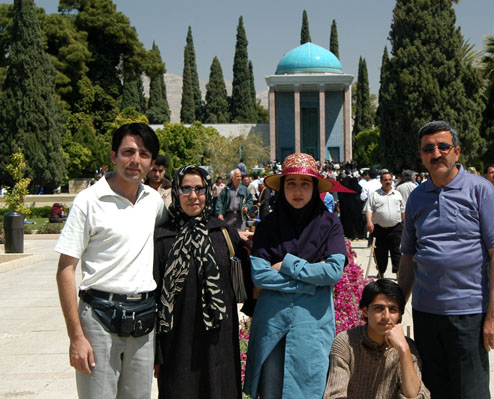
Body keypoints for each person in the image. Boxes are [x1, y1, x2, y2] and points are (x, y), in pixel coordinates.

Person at [398, 121, 494, 399]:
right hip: (426, 314)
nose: (436, 153)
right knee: (433, 390)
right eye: (428, 149)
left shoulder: (480, 190)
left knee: (470, 392)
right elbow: (408, 256)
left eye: (443, 146)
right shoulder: (416, 197)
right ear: (422, 156)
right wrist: (396, 308)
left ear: (456, 152)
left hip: (469, 314)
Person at [55, 123, 168, 399]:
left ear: (152, 163)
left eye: (143, 154)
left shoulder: (153, 201)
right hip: (98, 319)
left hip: (143, 321)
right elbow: (65, 270)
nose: (135, 160)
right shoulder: (88, 201)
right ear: (113, 156)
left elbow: (173, 236)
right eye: (128, 151)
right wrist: (76, 337)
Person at [243, 153, 347, 399]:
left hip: (311, 326)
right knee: (272, 389)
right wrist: (311, 282)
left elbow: (333, 272)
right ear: (282, 187)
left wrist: (286, 264)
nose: (297, 190)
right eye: (291, 183)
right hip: (274, 326)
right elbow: (260, 276)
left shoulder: (329, 224)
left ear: (314, 188)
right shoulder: (269, 225)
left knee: (311, 388)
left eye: (305, 183)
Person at [153, 165, 254, 398]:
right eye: (185, 188)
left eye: (199, 189)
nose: (192, 196)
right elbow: (154, 297)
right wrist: (156, 351)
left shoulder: (224, 234)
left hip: (218, 342)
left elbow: (247, 284)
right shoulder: (162, 237)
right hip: (178, 343)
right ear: (176, 192)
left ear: (208, 192)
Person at [323, 279, 430, 399]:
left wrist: (404, 351)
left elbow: (414, 396)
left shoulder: (405, 346)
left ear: (400, 315)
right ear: (365, 311)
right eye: (379, 308)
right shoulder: (346, 342)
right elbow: (335, 395)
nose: (386, 316)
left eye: (393, 310)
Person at [365, 172, 404, 277]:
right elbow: (369, 209)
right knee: (380, 252)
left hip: (396, 227)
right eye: (385, 180)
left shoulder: (397, 194)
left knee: (396, 251)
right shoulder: (375, 194)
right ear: (381, 181)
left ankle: (398, 272)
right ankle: (381, 271)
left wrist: (404, 224)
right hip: (379, 228)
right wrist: (369, 222)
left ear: (392, 181)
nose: (388, 182)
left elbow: (402, 210)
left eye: (389, 180)